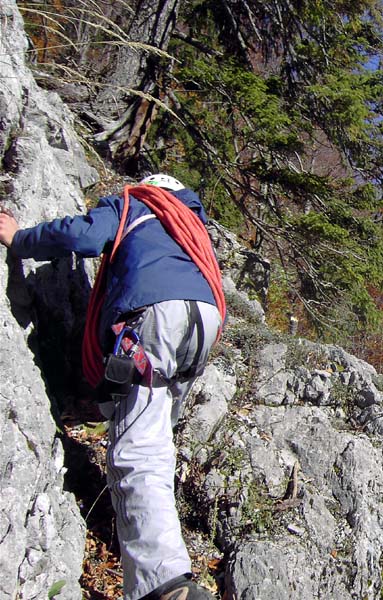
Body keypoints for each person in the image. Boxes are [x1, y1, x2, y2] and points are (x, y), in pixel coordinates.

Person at [0, 174, 223, 600]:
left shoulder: (136, 203)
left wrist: (20, 238)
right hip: (203, 319)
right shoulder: (190, 224)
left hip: (157, 311)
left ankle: (165, 585)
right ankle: (162, 545)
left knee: (136, 449)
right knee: (154, 435)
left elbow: (83, 235)